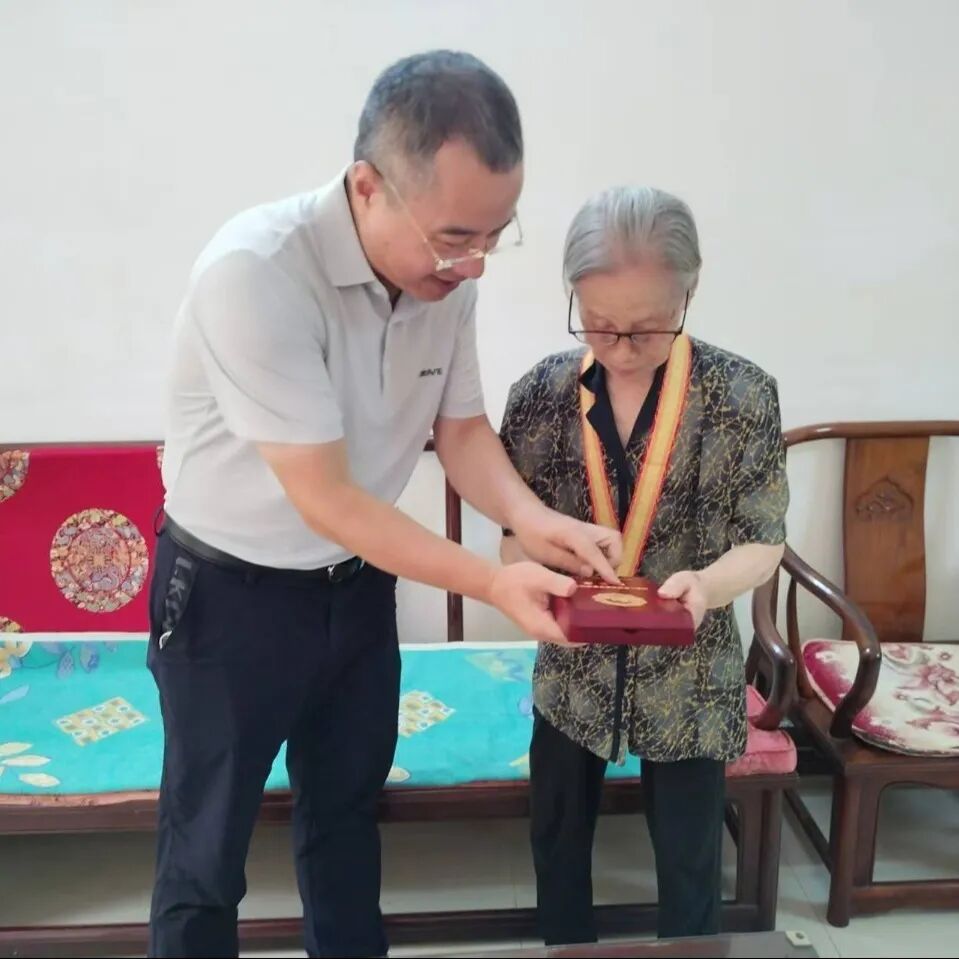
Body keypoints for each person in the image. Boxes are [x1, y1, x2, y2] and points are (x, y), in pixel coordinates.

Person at [149, 51, 621, 959]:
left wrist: (535, 522)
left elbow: (462, 430)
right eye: (454, 237)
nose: (474, 264)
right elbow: (326, 496)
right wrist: (493, 579)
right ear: (367, 186)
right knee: (205, 854)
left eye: (495, 235)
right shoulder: (254, 274)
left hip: (357, 590)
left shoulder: (445, 279)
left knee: (345, 820)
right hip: (228, 601)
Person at [499, 185, 789, 943]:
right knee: (557, 842)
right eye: (599, 324)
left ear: (688, 293)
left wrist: (708, 585)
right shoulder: (540, 396)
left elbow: (764, 539)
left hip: (690, 671)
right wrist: (545, 562)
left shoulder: (741, 396)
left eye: (647, 327)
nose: (621, 347)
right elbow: (511, 540)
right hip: (573, 668)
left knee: (691, 861)